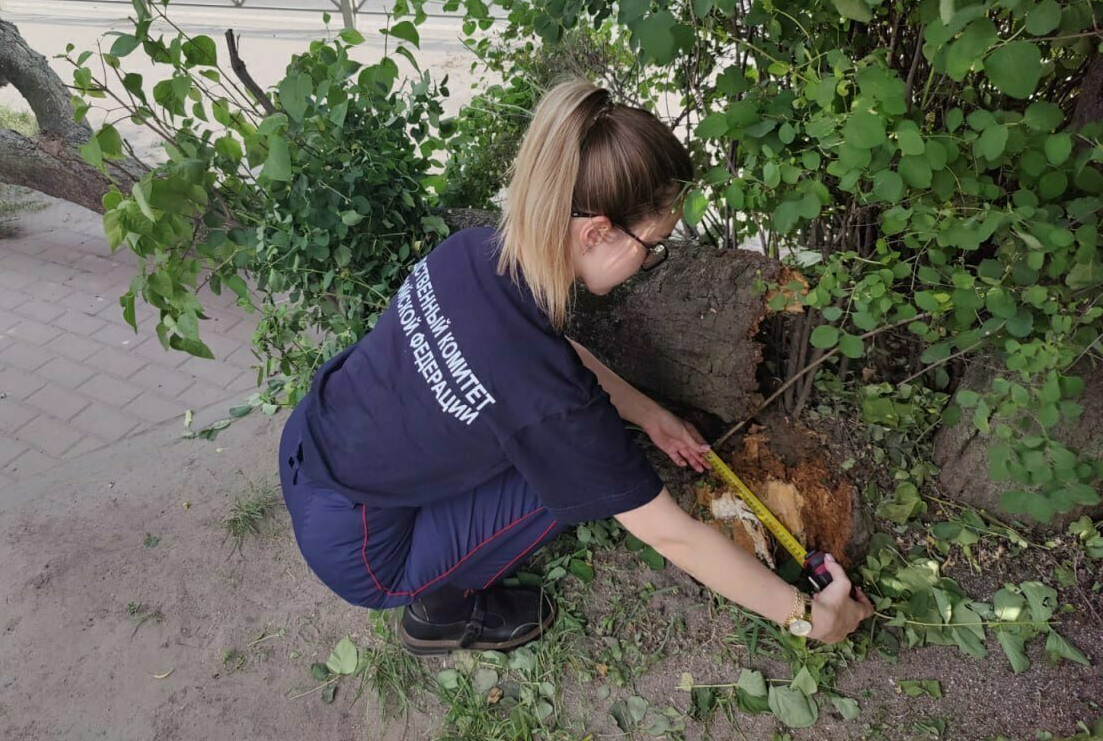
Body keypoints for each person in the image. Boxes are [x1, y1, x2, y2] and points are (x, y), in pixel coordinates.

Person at [279, 79, 873, 656]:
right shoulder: (549, 398)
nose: (647, 264)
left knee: (556, 447)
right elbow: (670, 532)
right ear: (597, 232)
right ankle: (440, 614)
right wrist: (809, 618)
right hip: (361, 552)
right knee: (570, 479)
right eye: (651, 248)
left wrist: (650, 413)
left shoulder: (474, 252)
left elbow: (542, 350)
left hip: (308, 444)